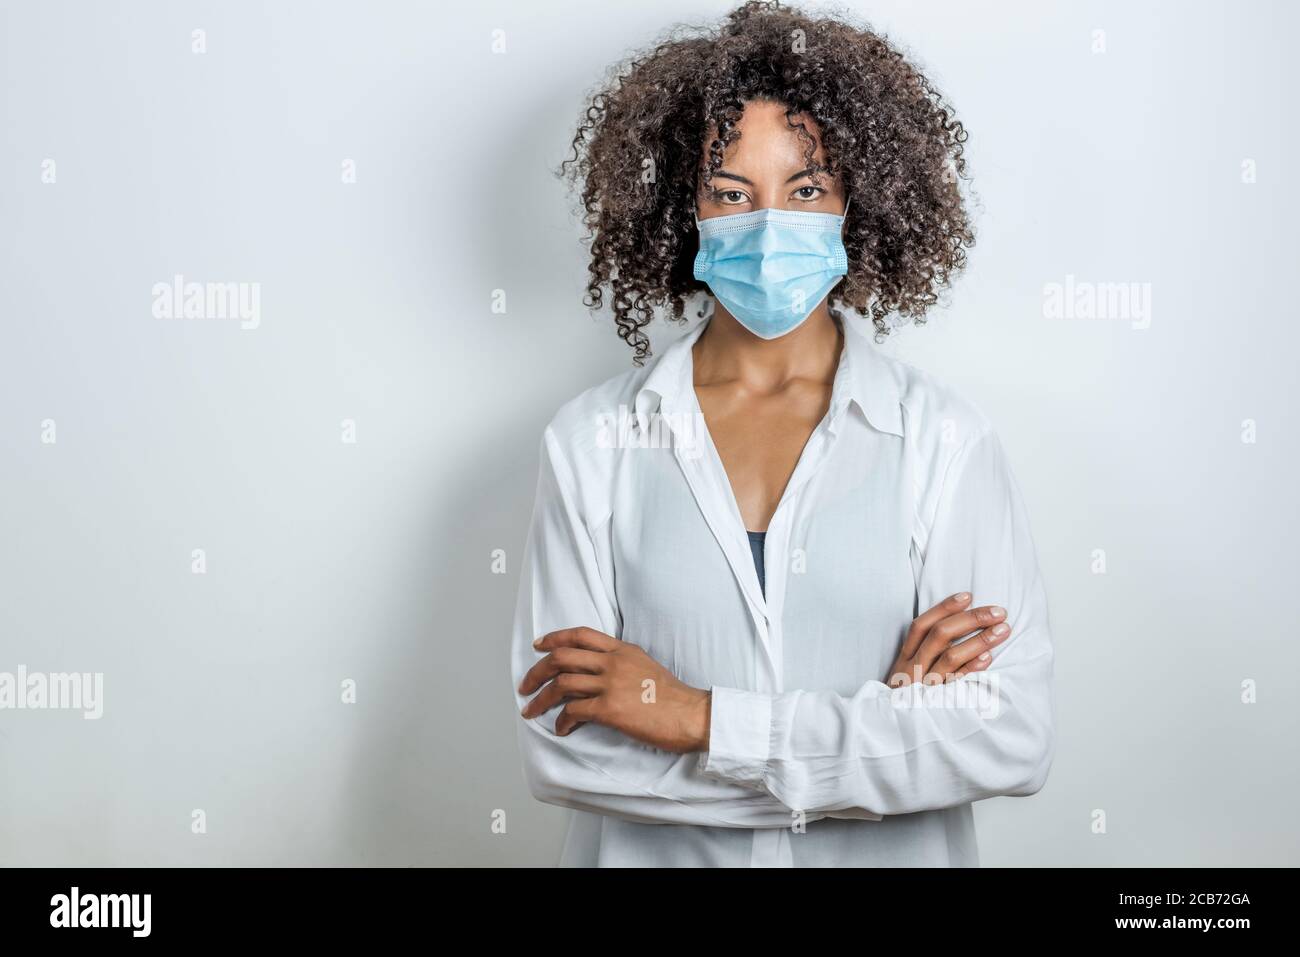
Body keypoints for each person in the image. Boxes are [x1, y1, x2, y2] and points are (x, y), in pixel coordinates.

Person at [510, 0, 1055, 867]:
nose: (768, 226)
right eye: (731, 193)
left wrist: (693, 718)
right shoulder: (591, 441)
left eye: (805, 191)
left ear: (857, 202)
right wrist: (886, 741)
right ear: (681, 212)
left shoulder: (945, 440)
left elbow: (1012, 735)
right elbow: (564, 752)